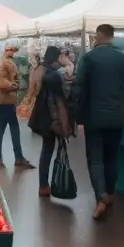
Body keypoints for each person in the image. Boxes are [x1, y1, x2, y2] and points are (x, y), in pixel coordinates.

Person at [75, 24, 124, 221]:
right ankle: (109, 194)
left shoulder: (89, 58)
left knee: (95, 159)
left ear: (97, 36)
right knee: (112, 157)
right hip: (117, 118)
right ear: (112, 36)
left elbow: (79, 89)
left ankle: (100, 197)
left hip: (94, 118)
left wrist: (79, 118)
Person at [29, 46, 74, 197]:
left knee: (46, 151)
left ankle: (43, 184)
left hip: (42, 118)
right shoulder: (53, 76)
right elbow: (60, 104)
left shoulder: (42, 71)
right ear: (54, 59)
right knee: (49, 150)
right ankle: (45, 185)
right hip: (52, 121)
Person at [0, 44, 34, 169]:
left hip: (9, 101)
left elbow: (13, 77)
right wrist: (13, 85)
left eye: (13, 50)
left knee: (10, 128)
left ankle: (14, 157)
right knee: (3, 128)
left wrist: (16, 84)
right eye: (9, 50)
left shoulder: (9, 63)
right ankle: (3, 157)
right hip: (3, 101)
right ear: (4, 51)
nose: (12, 52)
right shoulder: (1, 64)